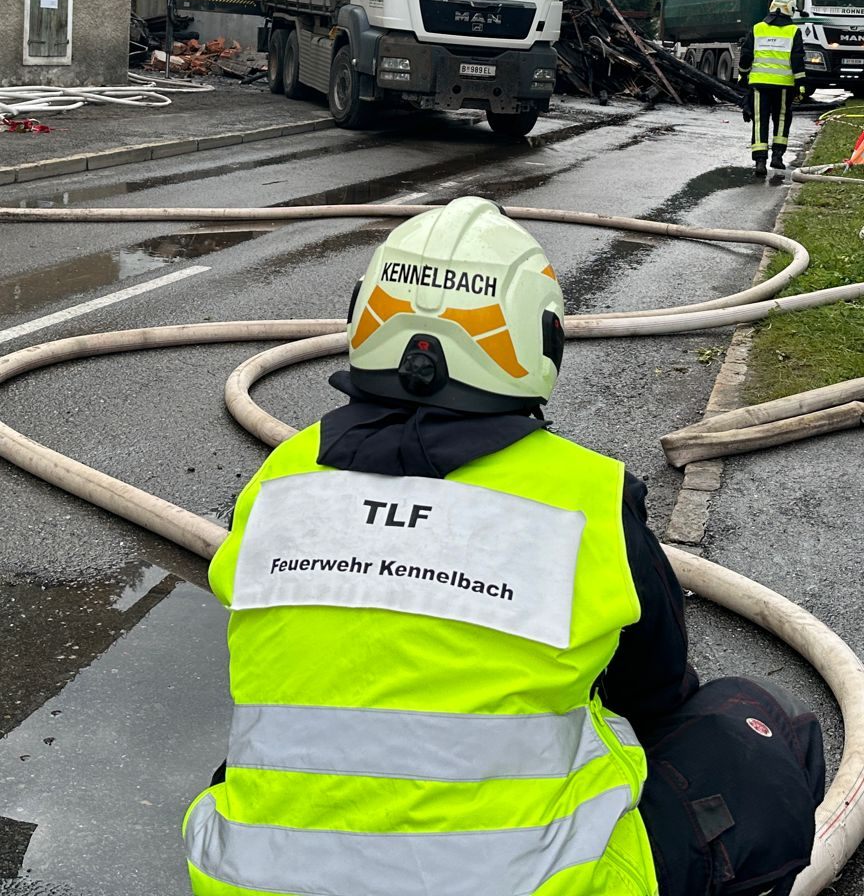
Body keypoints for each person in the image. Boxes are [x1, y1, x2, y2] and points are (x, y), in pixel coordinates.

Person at [183, 196, 824, 896]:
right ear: (540, 341)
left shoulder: (280, 478)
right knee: (759, 727)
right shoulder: (586, 497)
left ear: (362, 317)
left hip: (250, 880)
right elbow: (659, 694)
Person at [738, 0, 806, 177]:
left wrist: (742, 76)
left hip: (759, 84)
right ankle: (777, 157)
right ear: (790, 10)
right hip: (784, 85)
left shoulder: (758, 28)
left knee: (760, 120)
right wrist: (800, 85)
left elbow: (746, 55)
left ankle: (760, 161)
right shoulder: (793, 31)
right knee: (782, 119)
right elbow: (797, 60)